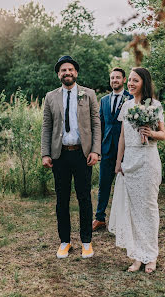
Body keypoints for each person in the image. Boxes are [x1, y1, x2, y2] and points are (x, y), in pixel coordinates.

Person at [41, 55, 100, 259]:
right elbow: (46, 127)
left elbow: (96, 124)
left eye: (70, 69)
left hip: (83, 155)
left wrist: (95, 150)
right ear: (59, 74)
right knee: (61, 200)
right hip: (60, 156)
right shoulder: (50, 97)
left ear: (76, 72)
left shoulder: (89, 94)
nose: (67, 73)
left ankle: (86, 242)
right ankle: (65, 242)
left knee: (84, 199)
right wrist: (45, 153)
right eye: (63, 70)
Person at [108, 67, 165, 273]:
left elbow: (163, 135)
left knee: (148, 209)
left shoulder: (155, 105)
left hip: (148, 160)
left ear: (144, 82)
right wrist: (118, 162)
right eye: (129, 80)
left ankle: (151, 256)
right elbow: (123, 137)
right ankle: (137, 256)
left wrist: (150, 132)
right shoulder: (127, 105)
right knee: (132, 210)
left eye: (135, 80)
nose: (130, 83)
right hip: (129, 161)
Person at [93, 67, 133, 231]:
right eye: (112, 78)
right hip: (107, 148)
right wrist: (97, 148)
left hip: (128, 148)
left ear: (124, 80)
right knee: (104, 185)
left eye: (117, 77)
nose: (114, 80)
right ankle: (100, 218)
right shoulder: (103, 100)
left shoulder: (131, 98)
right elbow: (100, 125)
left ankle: (128, 219)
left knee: (128, 185)